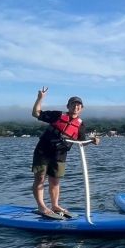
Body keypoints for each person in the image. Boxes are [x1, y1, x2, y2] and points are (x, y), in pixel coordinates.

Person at [31, 87, 100, 219]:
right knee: (40, 178)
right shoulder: (57, 115)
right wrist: (40, 98)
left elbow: (81, 143)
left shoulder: (81, 125)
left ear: (82, 108)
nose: (76, 106)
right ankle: (41, 206)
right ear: (68, 106)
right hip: (43, 150)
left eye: (79, 105)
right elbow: (36, 113)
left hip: (60, 154)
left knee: (55, 181)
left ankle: (55, 205)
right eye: (73, 104)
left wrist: (92, 141)